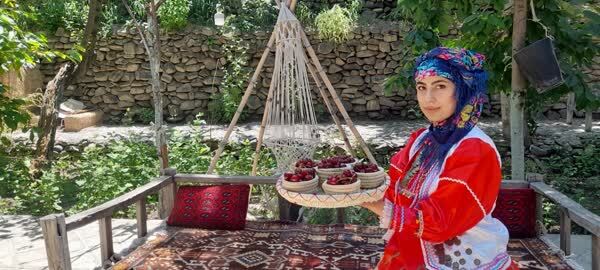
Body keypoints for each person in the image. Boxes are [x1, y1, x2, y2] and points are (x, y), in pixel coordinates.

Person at [361, 47, 518, 269]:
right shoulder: (422, 139)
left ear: (464, 90)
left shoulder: (475, 150)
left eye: (440, 86)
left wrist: (370, 201)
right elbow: (394, 188)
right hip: (412, 251)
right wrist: (355, 187)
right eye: (421, 87)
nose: (428, 98)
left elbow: (441, 222)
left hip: (463, 259)